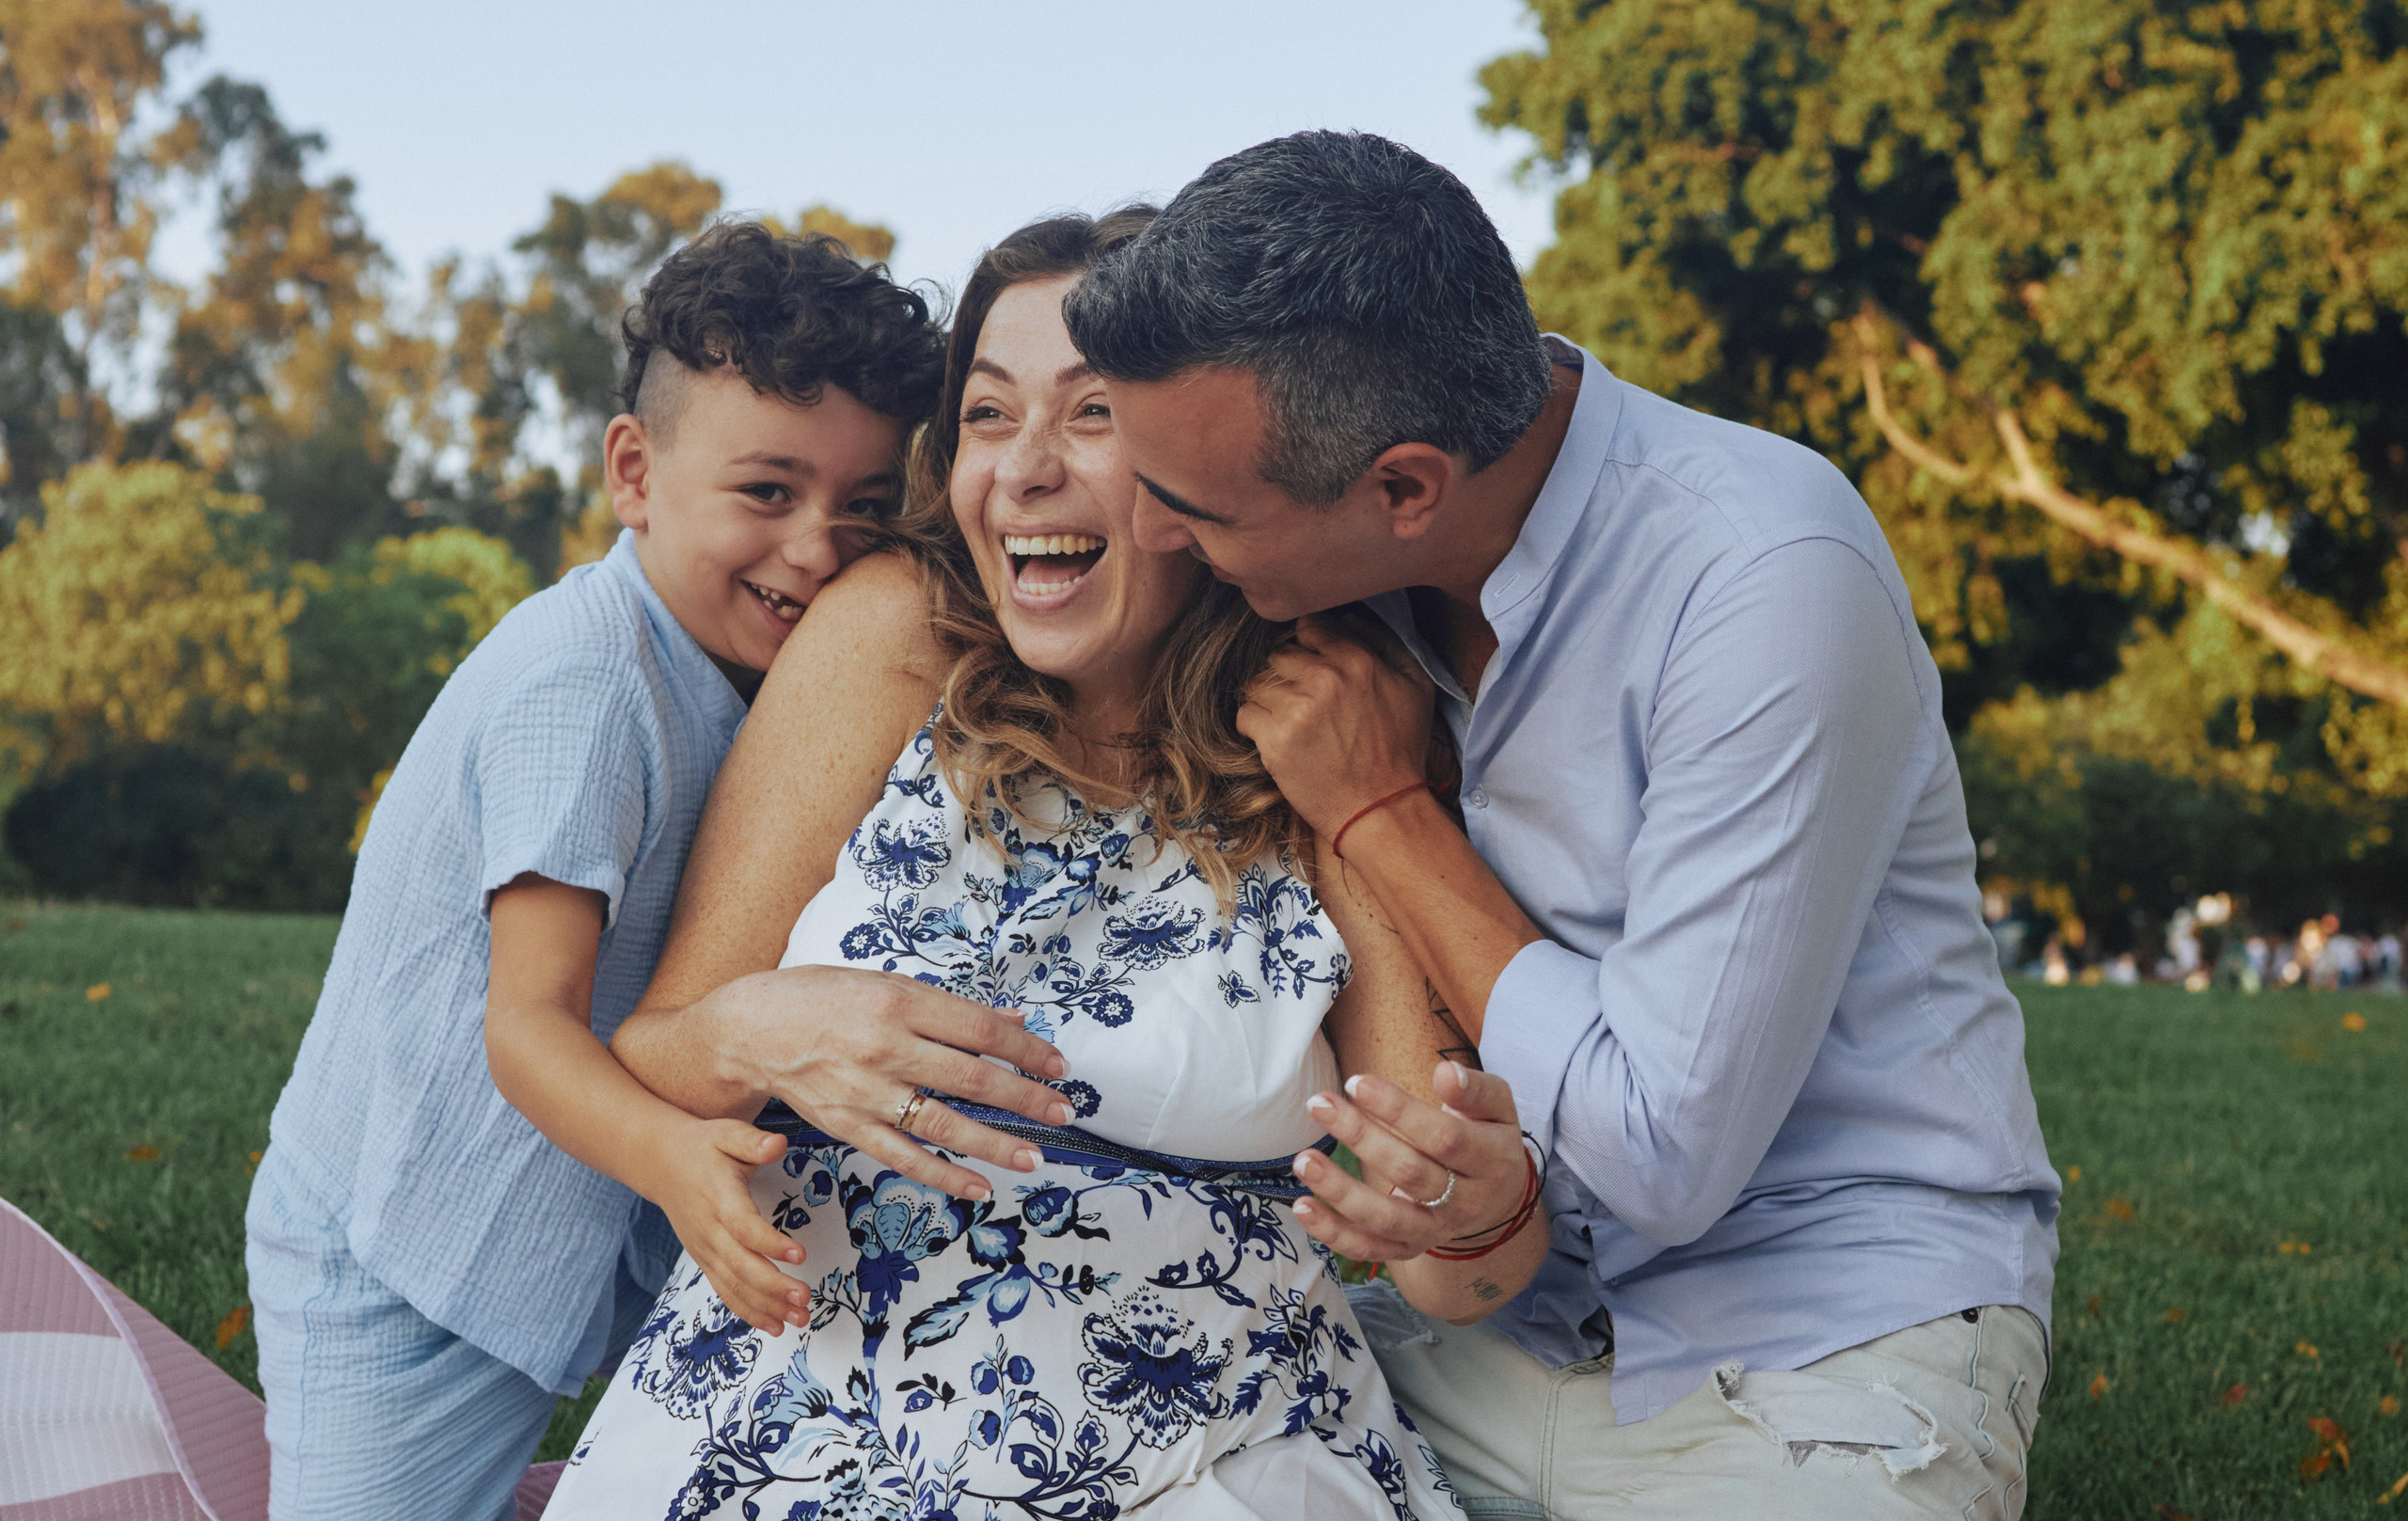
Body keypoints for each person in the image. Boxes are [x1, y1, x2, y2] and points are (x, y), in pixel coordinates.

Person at [1061, 131, 2062, 1517]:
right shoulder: (1351, 564)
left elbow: (1664, 1149)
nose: (1158, 534)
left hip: (1825, 1339)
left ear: (1404, 488)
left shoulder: (1761, 574)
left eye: (1192, 505)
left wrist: (1384, 808)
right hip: (1496, 1334)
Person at [541, 210, 1541, 1519]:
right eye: (990, 415)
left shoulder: (1324, 729)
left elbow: (1451, 1267)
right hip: (812, 1411)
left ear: (1200, 464)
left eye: (1092, 416)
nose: (1021, 470)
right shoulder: (893, 636)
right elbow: (659, 1042)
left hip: (1207, 1448)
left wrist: (1483, 1205)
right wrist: (756, 1029)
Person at [245, 222, 947, 1521]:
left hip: (548, 1226)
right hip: (400, 1250)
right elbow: (526, 1029)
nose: (817, 548)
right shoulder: (585, 686)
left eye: (862, 508)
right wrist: (681, 1160)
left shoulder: (740, 674)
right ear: (634, 470)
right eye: (768, 492)